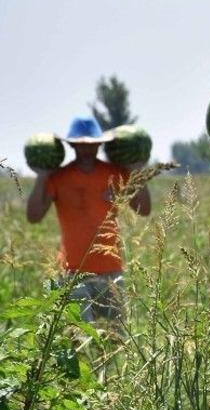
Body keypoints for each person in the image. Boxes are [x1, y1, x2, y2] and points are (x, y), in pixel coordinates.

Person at [25, 116, 151, 323]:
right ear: (72, 145)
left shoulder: (115, 173)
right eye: (80, 146)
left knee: (116, 340)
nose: (85, 151)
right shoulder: (58, 177)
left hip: (111, 268)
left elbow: (143, 209)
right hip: (72, 272)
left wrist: (136, 170)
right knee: (79, 338)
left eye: (91, 145)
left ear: (100, 145)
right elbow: (33, 217)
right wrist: (41, 176)